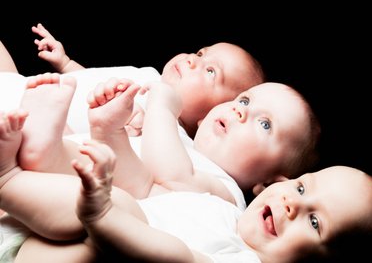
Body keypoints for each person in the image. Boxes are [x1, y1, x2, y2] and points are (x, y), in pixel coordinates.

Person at [0, 111, 372, 262]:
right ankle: (36, 158)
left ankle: (9, 178)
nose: (293, 206)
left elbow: (181, 259)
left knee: (115, 205)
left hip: (92, 242)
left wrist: (104, 215)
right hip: (65, 225)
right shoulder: (226, 212)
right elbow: (149, 190)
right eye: (300, 189)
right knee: (101, 176)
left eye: (315, 223)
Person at [17, 73, 320, 210]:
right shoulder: (180, 138)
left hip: (88, 205)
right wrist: (124, 120)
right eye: (244, 101)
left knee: (91, 169)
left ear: (268, 185)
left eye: (264, 123)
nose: (241, 112)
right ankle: (49, 142)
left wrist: (161, 108)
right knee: (87, 151)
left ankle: (45, 149)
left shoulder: (226, 193)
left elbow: (172, 175)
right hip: (91, 176)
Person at [30, 23, 267, 139]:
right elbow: (94, 80)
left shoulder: (166, 133)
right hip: (29, 92)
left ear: (212, 115)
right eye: (201, 53)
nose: (192, 61)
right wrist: (65, 63)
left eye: (211, 72)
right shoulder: (149, 75)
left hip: (44, 134)